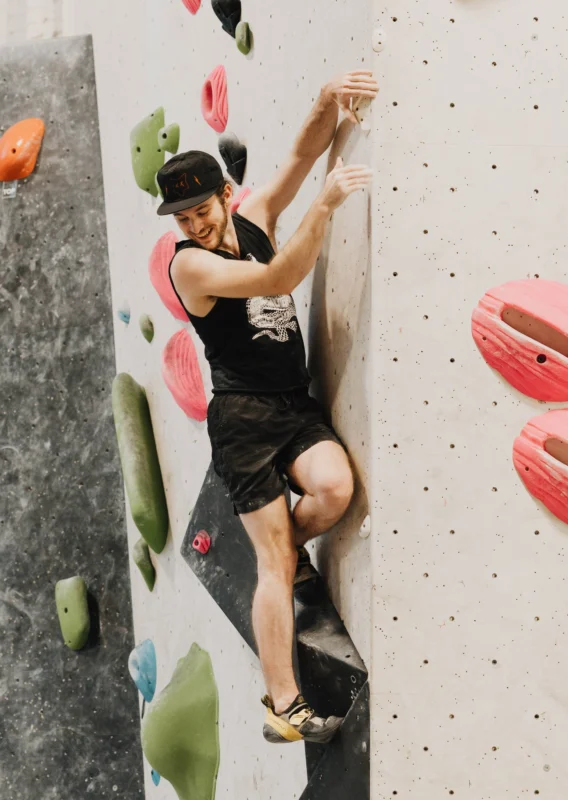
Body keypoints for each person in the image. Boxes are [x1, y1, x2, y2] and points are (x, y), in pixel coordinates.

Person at [156, 70, 378, 744]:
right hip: (244, 420)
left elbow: (303, 157)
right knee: (277, 563)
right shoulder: (189, 266)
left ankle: (278, 557)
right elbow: (279, 277)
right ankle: (283, 706)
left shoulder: (251, 218)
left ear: (226, 195)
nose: (194, 223)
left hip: (290, 403)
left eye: (202, 209)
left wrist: (326, 103)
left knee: (334, 492)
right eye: (182, 217)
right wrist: (323, 210)